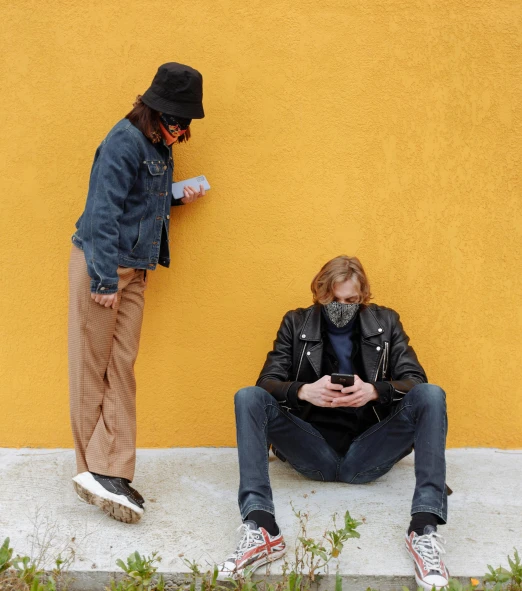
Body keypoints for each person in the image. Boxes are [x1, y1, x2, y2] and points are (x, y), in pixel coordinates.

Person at [218, 256, 451, 590]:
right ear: (320, 293)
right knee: (247, 397)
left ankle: (424, 527)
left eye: (351, 301)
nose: (342, 307)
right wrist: (304, 392)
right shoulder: (296, 323)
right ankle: (261, 525)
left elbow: (414, 379)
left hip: (369, 450)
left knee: (431, 394)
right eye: (333, 300)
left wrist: (375, 391)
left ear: (362, 297)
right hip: (311, 449)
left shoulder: (386, 321)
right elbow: (266, 383)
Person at [68, 62, 206, 523]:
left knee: (121, 365)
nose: (181, 131)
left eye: (185, 126)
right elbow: (102, 212)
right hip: (103, 267)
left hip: (136, 270)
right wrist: (104, 280)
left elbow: (138, 203)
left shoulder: (156, 146)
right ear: (155, 109)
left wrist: (176, 198)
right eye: (176, 122)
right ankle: (93, 471)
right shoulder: (122, 142)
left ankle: (114, 470)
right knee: (93, 368)